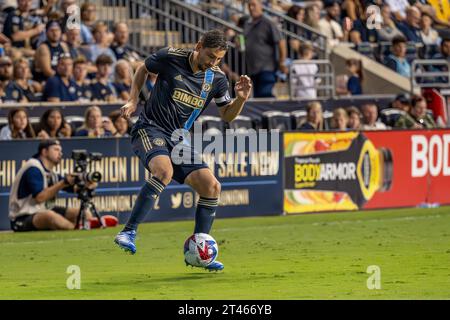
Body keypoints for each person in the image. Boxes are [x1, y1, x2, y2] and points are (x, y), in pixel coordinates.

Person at [115, 29, 252, 271]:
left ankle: (199, 251)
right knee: (163, 172)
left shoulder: (217, 79)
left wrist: (240, 99)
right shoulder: (171, 57)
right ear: (199, 45)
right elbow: (142, 68)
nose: (213, 62)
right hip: (150, 128)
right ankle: (128, 232)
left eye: (218, 59)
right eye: (210, 56)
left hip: (178, 139)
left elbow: (227, 115)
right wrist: (133, 99)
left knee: (212, 187)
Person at [8, 139, 118, 231]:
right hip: (22, 217)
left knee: (85, 213)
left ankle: (86, 224)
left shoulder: (51, 173)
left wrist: (87, 184)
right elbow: (40, 198)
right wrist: (63, 182)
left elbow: (74, 188)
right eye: (56, 149)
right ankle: (76, 230)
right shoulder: (33, 168)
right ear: (44, 152)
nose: (60, 153)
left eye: (60, 150)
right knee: (50, 216)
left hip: (41, 209)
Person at [243, 0, 287, 97]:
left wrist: (282, 62)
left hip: (267, 68)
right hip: (253, 68)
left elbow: (281, 42)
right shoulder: (247, 23)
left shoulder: (268, 22)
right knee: (258, 97)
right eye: (249, 5)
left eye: (254, 5)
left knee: (266, 95)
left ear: (261, 6)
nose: (251, 8)